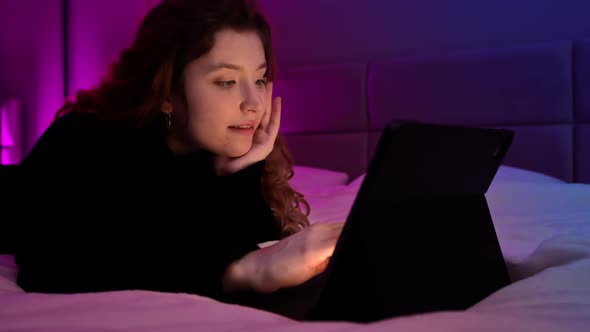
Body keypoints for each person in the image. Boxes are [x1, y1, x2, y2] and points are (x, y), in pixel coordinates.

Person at [10, 0, 344, 312]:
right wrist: (237, 272)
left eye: (259, 79)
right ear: (168, 93)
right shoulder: (84, 142)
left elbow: (235, 239)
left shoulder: (213, 155)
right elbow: (55, 267)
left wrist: (243, 169)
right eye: (227, 81)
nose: (254, 103)